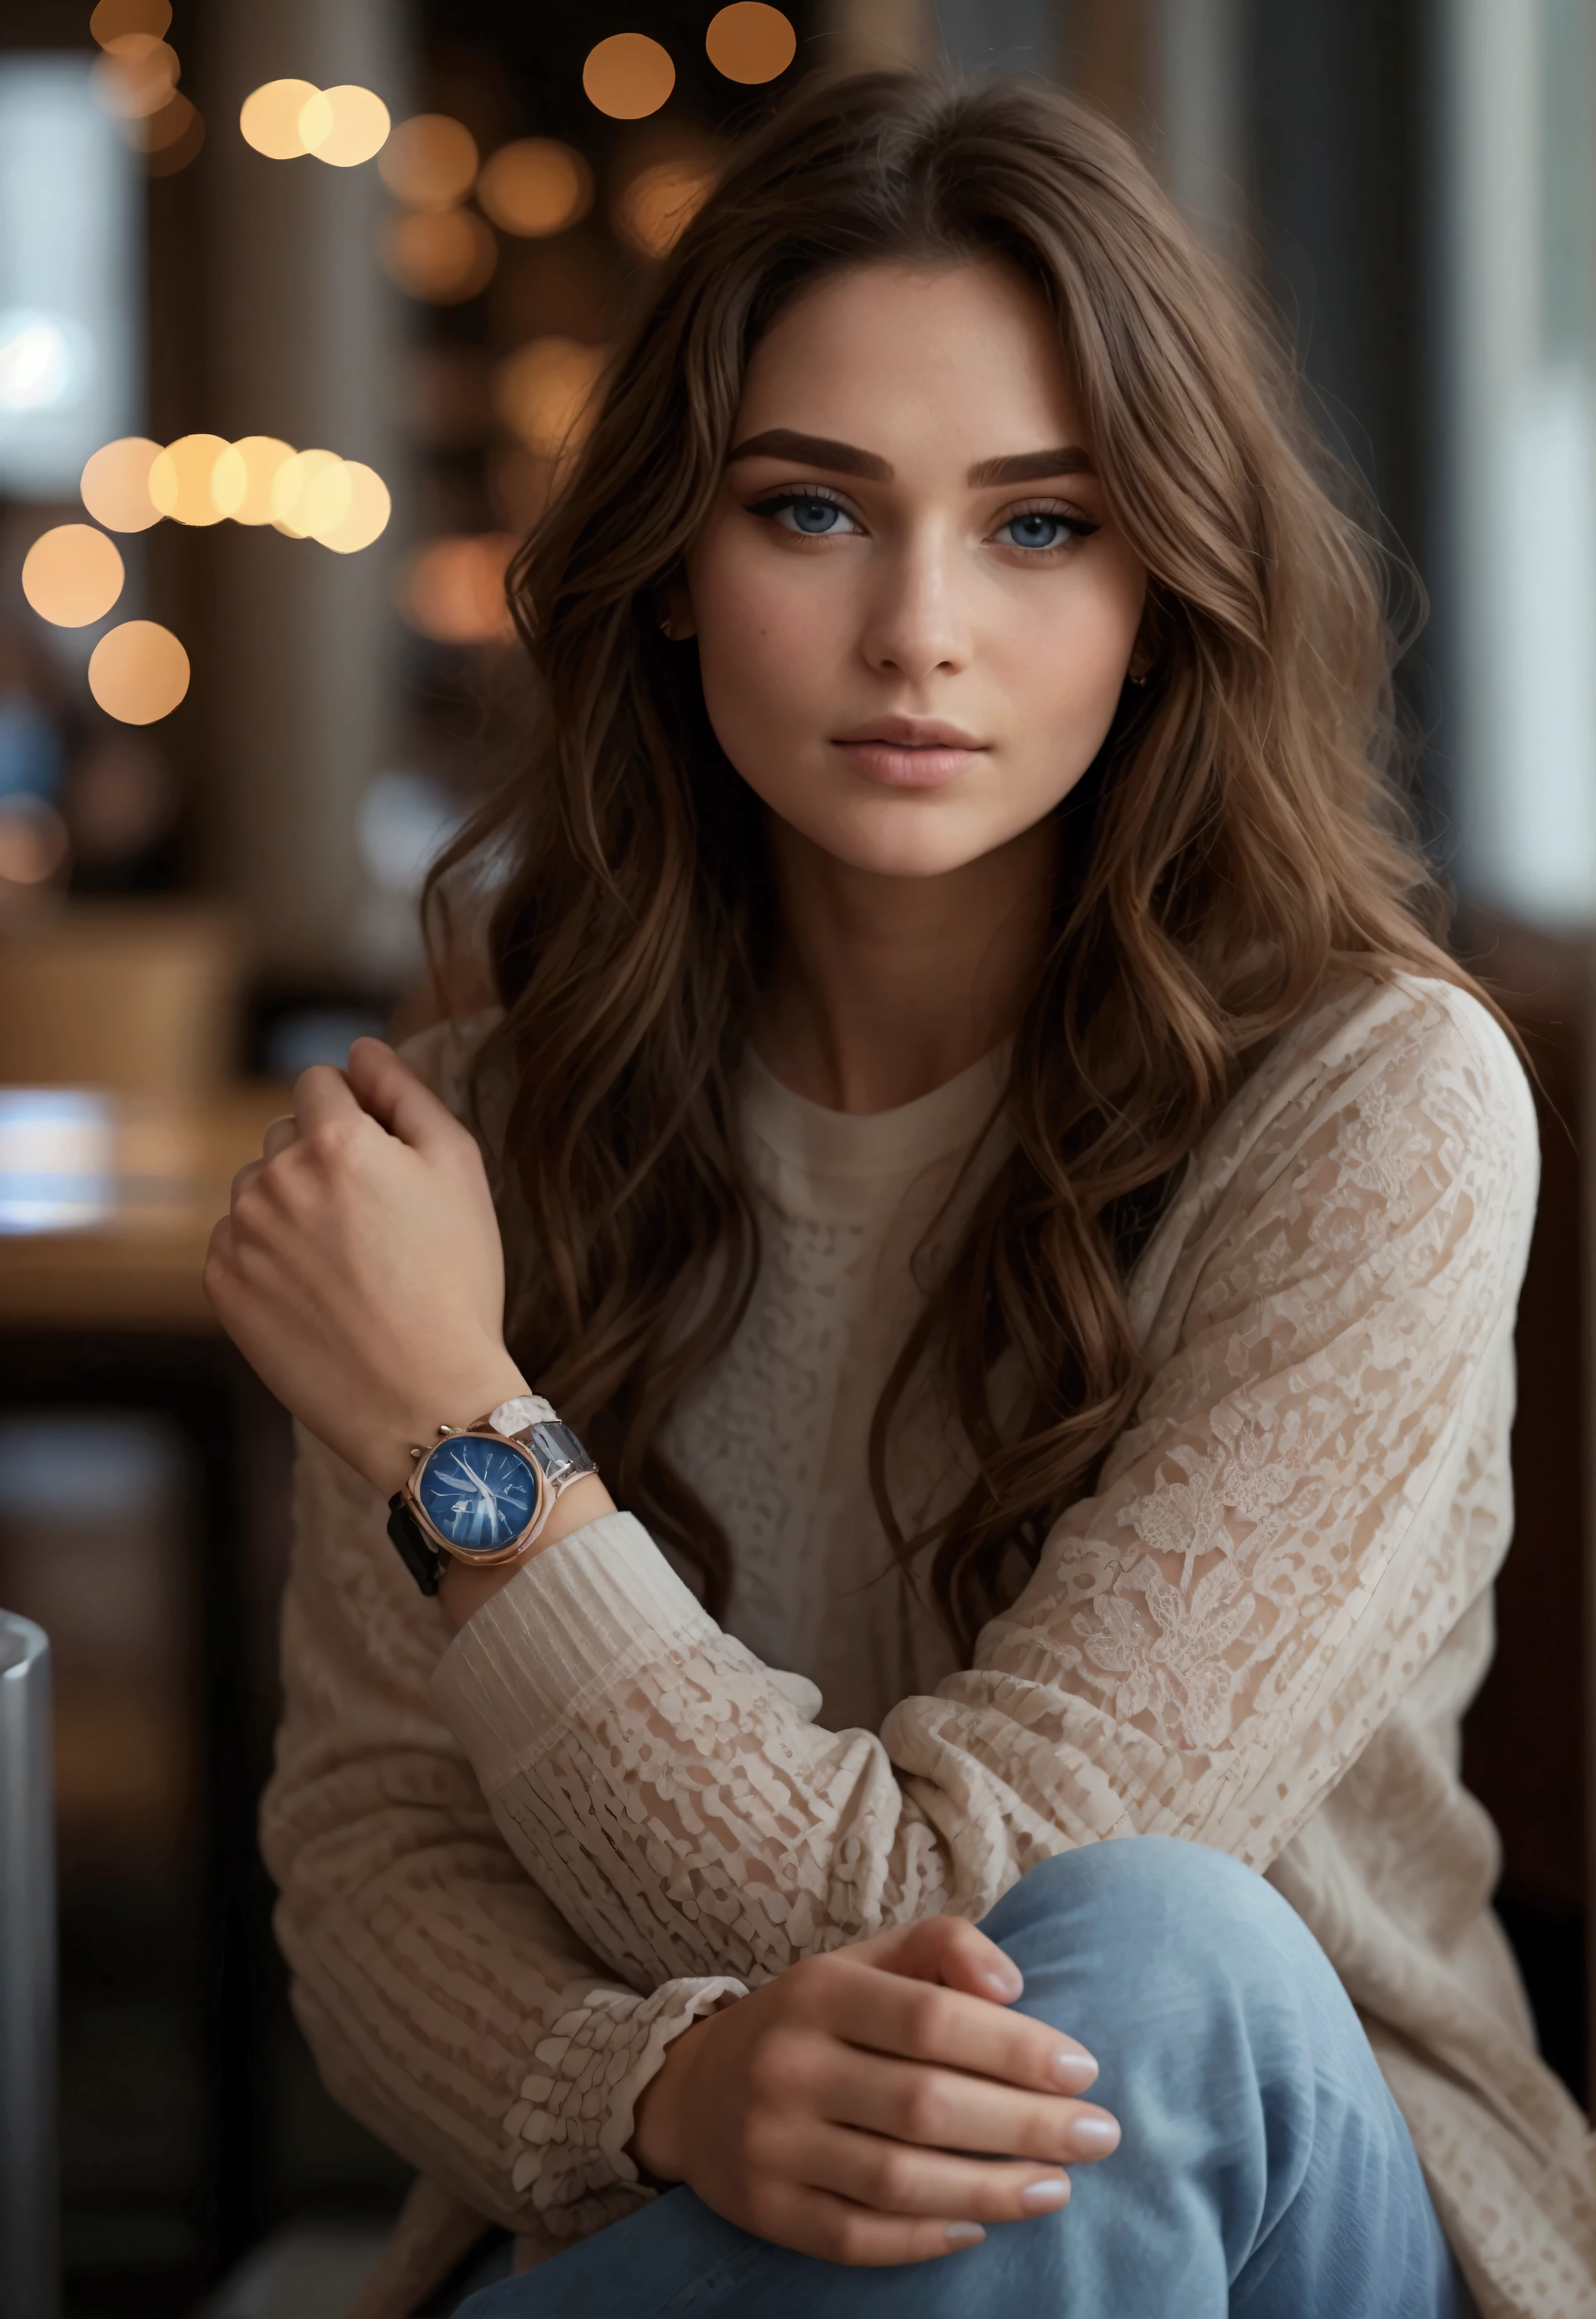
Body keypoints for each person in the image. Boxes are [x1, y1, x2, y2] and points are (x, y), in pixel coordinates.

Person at [206, 71, 1596, 2319]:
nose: (921, 631)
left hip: (1292, 2224)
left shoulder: (1378, 1111)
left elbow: (972, 1905)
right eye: (813, 511)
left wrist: (466, 1440)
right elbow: (371, 1872)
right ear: (671, 563)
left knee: (1146, 1965)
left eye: (1040, 523)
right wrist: (661, 2091)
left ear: (1166, 584)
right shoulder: (472, 1143)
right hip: (671, 2214)